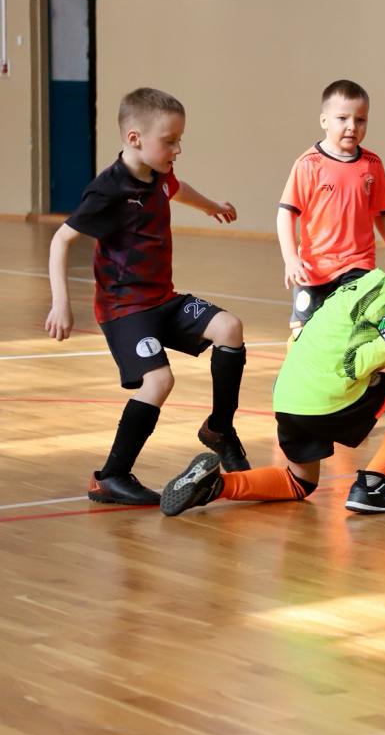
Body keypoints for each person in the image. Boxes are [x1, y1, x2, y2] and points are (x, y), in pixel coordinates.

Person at [161, 213, 385, 516]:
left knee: (299, 482)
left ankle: (215, 485)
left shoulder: (366, 286)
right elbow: (355, 365)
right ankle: (373, 484)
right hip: (328, 396)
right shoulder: (383, 300)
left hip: (289, 397)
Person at [46, 87, 248, 505]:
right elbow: (61, 240)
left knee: (229, 328)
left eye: (179, 140)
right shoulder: (108, 190)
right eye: (170, 141)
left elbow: (176, 187)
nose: (178, 149)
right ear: (135, 138)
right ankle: (111, 476)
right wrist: (60, 303)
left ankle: (219, 429)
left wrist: (210, 206)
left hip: (163, 300)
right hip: (125, 310)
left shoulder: (158, 175)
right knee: (159, 380)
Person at [277, 79, 385, 336]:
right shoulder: (309, 164)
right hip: (315, 269)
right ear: (324, 121)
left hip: (358, 265)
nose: (352, 126)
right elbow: (286, 213)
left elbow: (383, 215)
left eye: (360, 120)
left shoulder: (373, 165)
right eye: (342, 118)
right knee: (304, 335)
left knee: (353, 333)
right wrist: (291, 259)